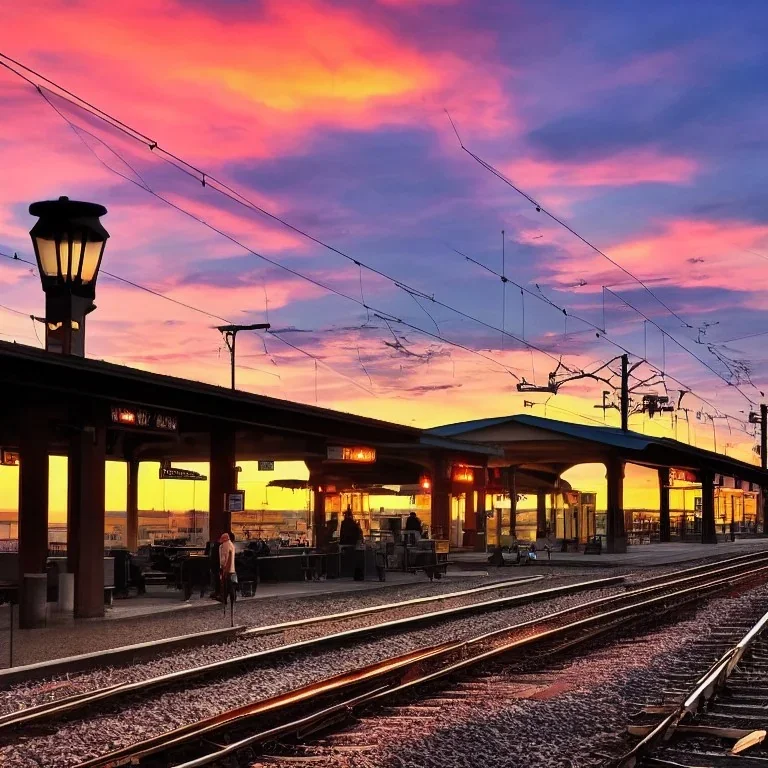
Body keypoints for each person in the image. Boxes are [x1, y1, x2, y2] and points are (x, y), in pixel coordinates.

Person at [219, 532, 237, 605]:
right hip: (232, 569)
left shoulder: (224, 545)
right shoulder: (232, 545)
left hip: (226, 569)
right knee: (231, 585)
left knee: (225, 585)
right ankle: (232, 599)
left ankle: (225, 599)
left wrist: (223, 567)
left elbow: (224, 558)